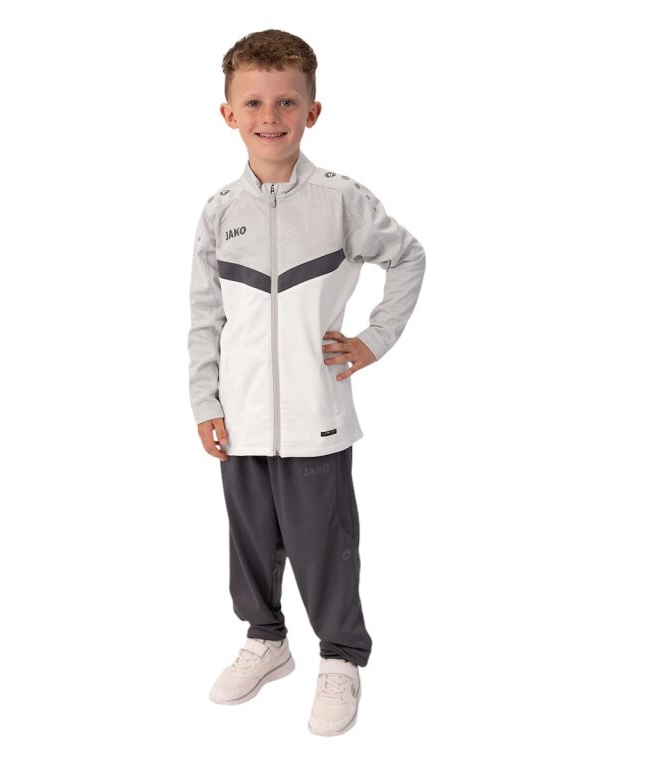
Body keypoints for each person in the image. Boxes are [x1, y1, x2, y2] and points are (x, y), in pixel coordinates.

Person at [187, 28, 426, 736]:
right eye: (254, 103)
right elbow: (204, 318)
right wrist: (204, 400)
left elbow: (408, 257)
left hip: (317, 417)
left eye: (287, 102)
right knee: (250, 539)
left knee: (325, 543)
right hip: (241, 418)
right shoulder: (218, 212)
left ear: (312, 111)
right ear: (228, 114)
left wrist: (374, 340)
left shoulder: (340, 200)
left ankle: (340, 657)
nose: (271, 116)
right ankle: (266, 640)